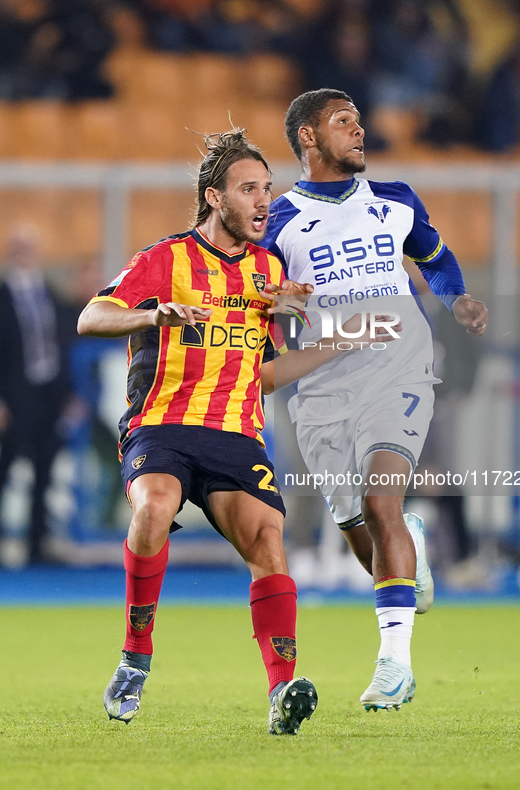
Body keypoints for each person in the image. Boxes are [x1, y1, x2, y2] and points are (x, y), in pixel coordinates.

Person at [77, 129, 385, 734]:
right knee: (154, 506)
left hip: (235, 432)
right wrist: (152, 314)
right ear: (215, 198)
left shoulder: (269, 273)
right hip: (161, 424)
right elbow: (91, 317)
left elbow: (264, 376)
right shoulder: (164, 260)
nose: (263, 201)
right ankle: (136, 654)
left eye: (267, 189)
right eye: (249, 189)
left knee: (270, 542)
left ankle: (281, 689)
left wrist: (339, 343)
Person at [260, 88, 488, 712]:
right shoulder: (277, 221)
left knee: (379, 497)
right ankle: (405, 546)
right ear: (308, 138)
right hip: (322, 387)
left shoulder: (395, 200)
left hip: (399, 368)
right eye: (343, 122)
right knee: (359, 526)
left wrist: (457, 300)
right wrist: (279, 308)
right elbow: (264, 308)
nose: (359, 130)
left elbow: (435, 259)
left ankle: (394, 666)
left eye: (360, 120)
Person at [0, 223, 71, 564]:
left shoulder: (50, 293)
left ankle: (37, 544)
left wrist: (67, 393)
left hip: (48, 393)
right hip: (14, 394)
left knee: (44, 469)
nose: (23, 254)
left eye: (28, 247)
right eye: (17, 247)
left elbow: (62, 343)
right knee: (4, 468)